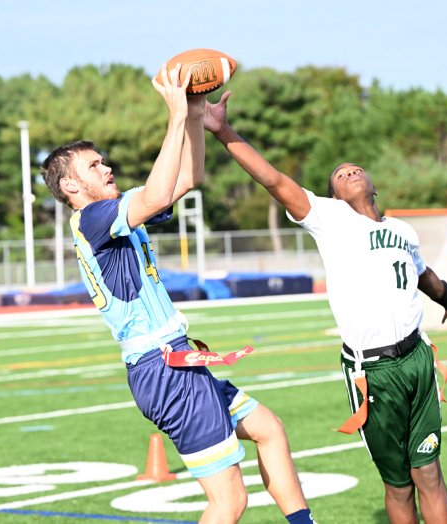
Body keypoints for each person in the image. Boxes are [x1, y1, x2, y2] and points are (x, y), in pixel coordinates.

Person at [40, 64, 315, 524]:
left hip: (175, 360)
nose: (106, 167)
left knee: (269, 429)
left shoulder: (109, 211)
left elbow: (185, 179)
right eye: (94, 165)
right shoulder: (92, 219)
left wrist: (193, 116)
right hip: (162, 368)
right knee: (228, 502)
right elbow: (158, 190)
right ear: (70, 186)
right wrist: (172, 117)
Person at [204, 90, 447, 524]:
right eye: (340, 174)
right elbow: (272, 179)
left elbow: (424, 275)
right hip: (373, 371)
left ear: (373, 185)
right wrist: (222, 131)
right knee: (399, 484)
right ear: (332, 194)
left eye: (356, 169)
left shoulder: (403, 229)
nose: (349, 171)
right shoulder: (329, 219)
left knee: (430, 471)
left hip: (418, 358)